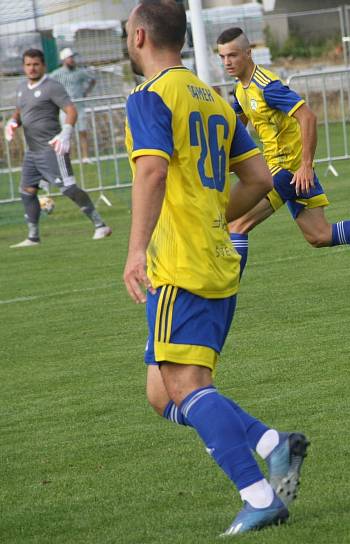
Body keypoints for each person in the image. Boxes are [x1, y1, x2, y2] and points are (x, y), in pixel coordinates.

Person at [121, 1, 307, 535]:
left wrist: (136, 250)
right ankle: (274, 443)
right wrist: (210, 214)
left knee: (187, 385)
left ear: (139, 36)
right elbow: (257, 178)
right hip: (217, 258)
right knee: (163, 394)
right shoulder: (213, 100)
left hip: (178, 265)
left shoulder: (151, 96)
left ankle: (258, 495)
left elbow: (152, 172)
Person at [215, 27, 350, 274]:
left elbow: (308, 117)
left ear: (248, 53)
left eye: (233, 55)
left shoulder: (267, 86)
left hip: (286, 169)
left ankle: (223, 303)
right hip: (287, 170)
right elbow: (239, 126)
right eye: (223, 57)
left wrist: (305, 166)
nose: (227, 62)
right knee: (319, 235)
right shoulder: (241, 89)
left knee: (237, 224)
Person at [4, 48, 111, 248]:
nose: (32, 68)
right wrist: (11, 122)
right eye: (28, 64)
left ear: (43, 65)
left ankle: (100, 224)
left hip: (52, 149)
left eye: (36, 64)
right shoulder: (22, 88)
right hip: (32, 152)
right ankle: (33, 237)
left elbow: (71, 110)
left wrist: (66, 132)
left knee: (68, 188)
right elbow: (19, 111)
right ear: (23, 67)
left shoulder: (52, 86)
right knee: (27, 191)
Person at [51, 48, 96, 163]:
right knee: (66, 133)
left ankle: (85, 157)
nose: (72, 60)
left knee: (83, 131)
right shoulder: (57, 74)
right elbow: (48, 84)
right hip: (65, 108)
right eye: (69, 58)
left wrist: (85, 92)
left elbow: (92, 80)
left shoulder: (79, 72)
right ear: (64, 60)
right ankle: (67, 158)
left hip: (79, 106)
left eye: (72, 57)